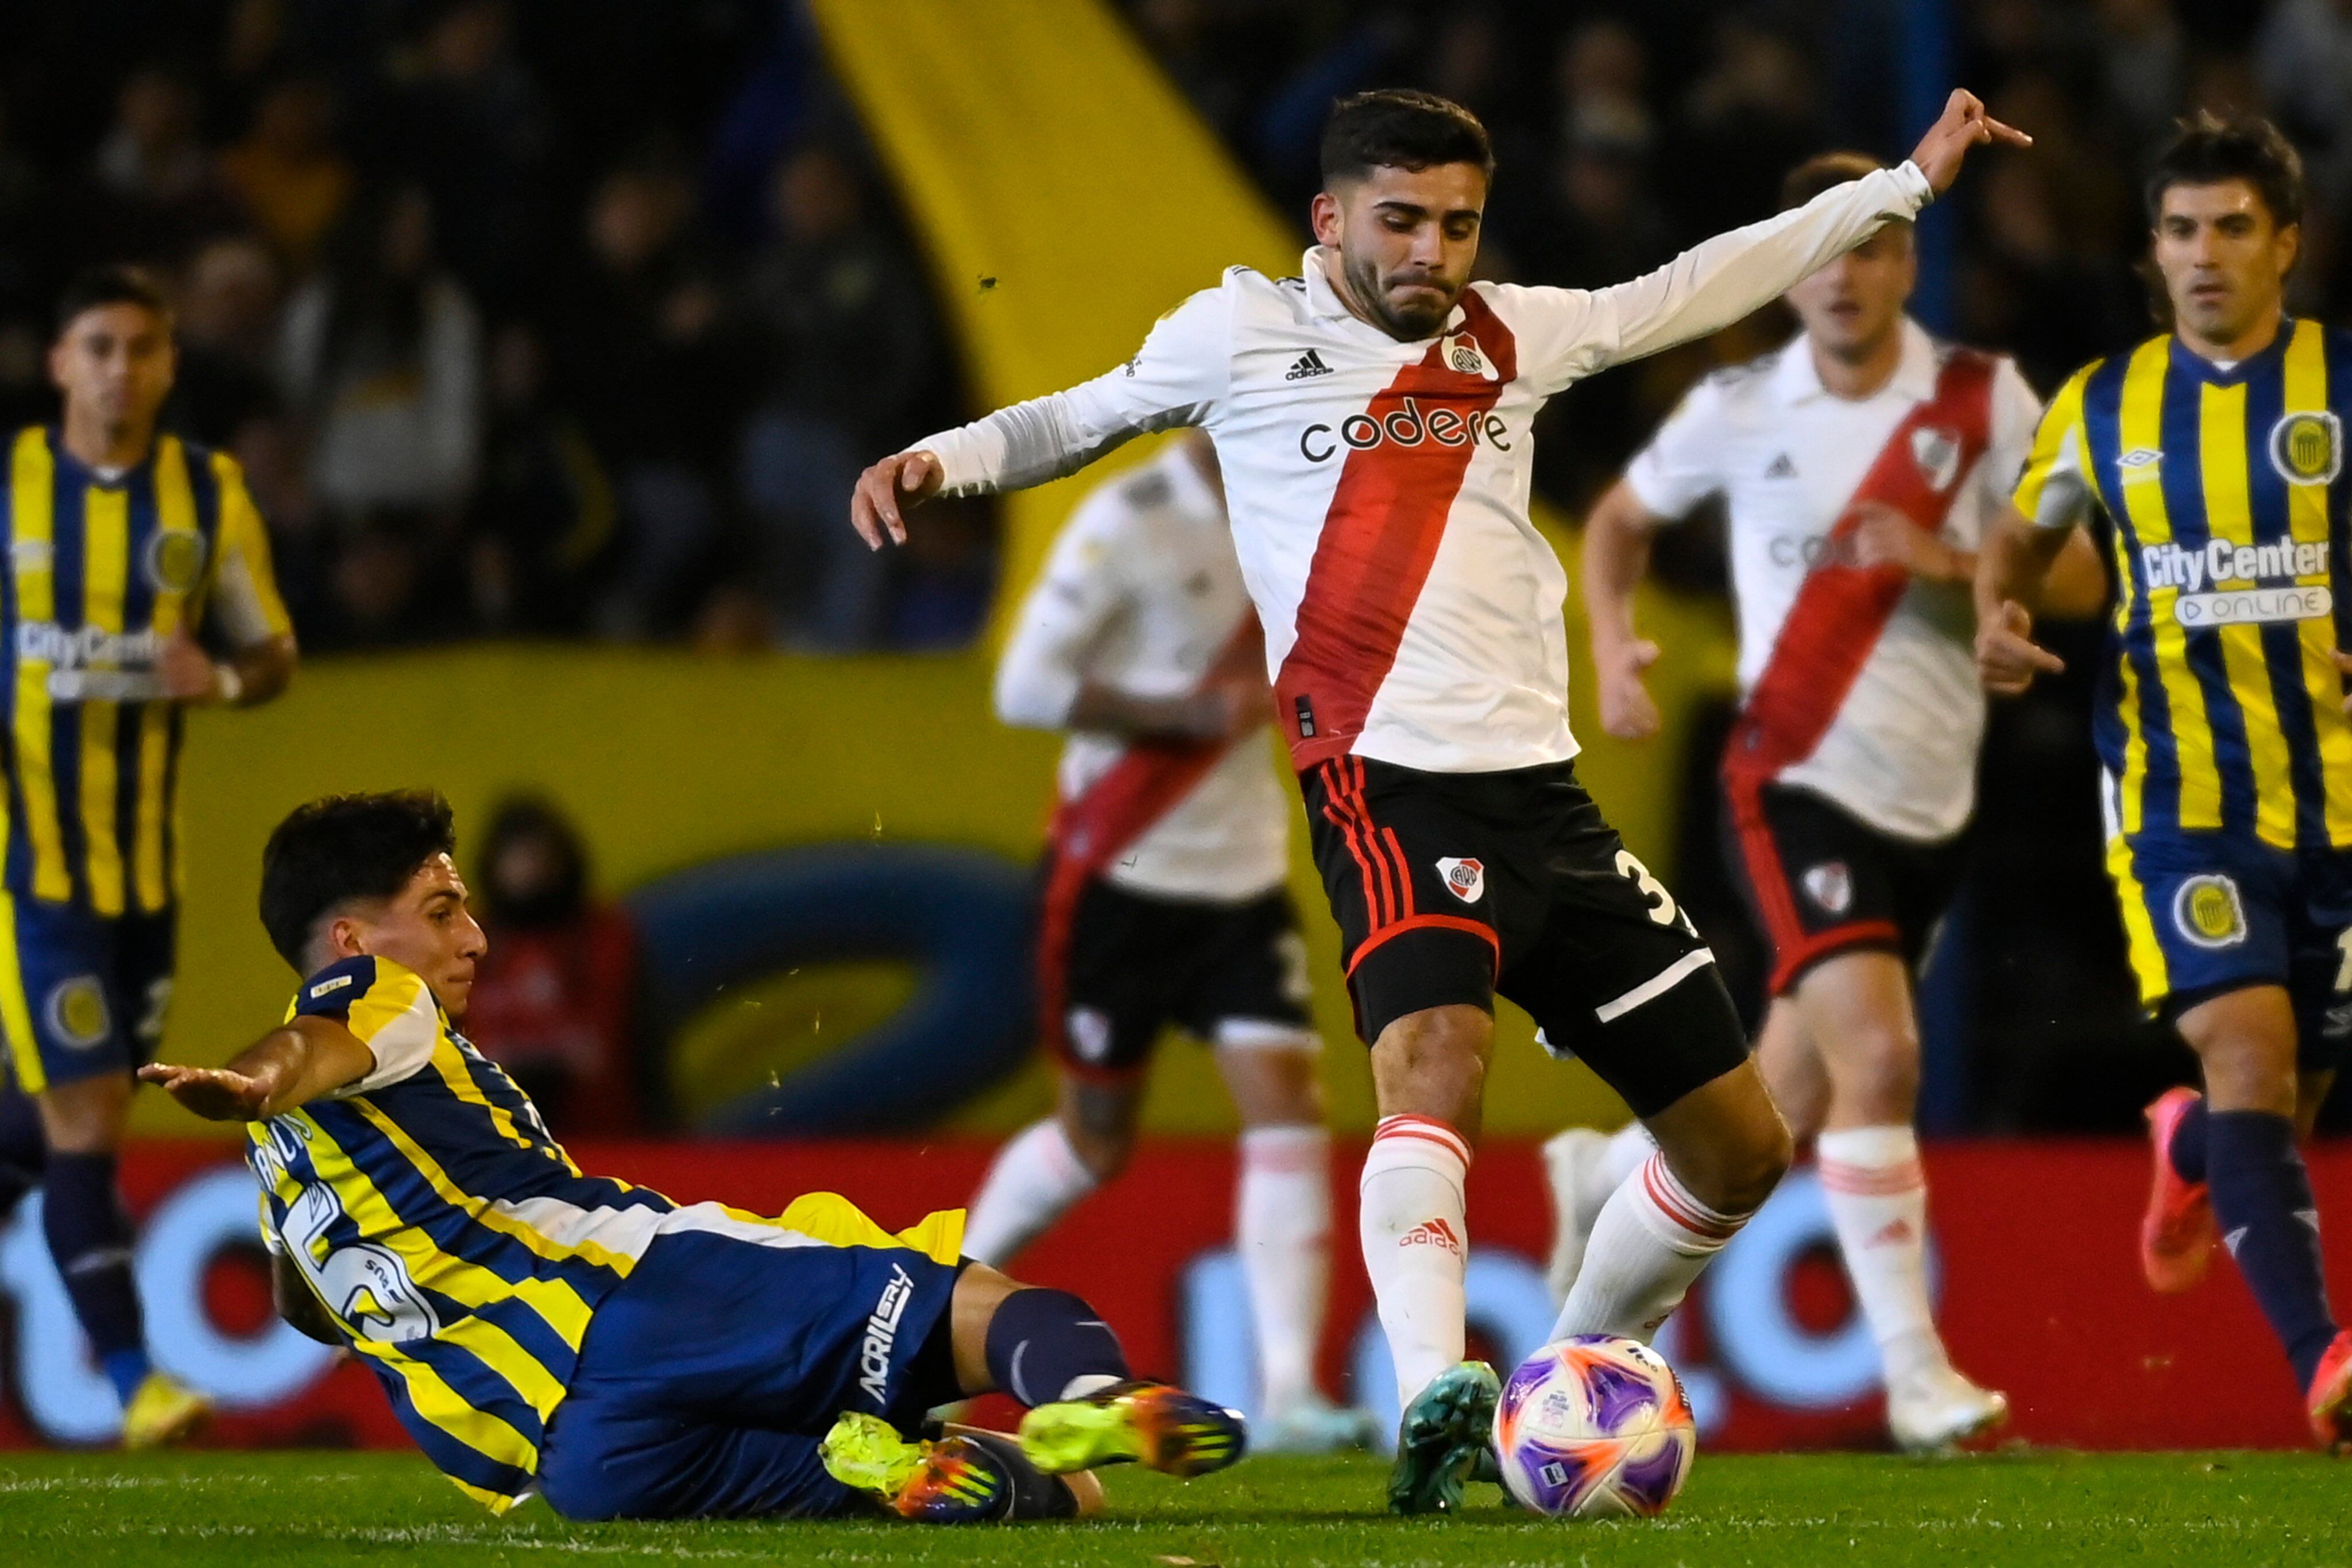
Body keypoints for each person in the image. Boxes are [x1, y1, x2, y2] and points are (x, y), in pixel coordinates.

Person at [852, 86, 2024, 1512]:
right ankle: (1433, 1397)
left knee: (1739, 1145)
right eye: (1401, 222)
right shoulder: (1237, 335)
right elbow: (1081, 416)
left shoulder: (1512, 335)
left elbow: (1697, 281)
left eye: (1458, 224)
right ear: (1330, 219)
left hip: (1546, 802)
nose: (1433, 253)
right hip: (1385, 784)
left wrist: (1897, 187)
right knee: (1435, 1063)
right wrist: (944, 458)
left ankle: (1571, 1371)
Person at [141, 791, 1247, 1521]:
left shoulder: (292, 1169)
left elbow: (300, 1299)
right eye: (442, 907)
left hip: (581, 1459)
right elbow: (307, 1045)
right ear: (351, 940)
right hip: (639, 1301)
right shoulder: (376, 999)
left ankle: (887, 1461)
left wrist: (376, 1322)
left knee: (1047, 1504)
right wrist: (254, 1077)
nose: (474, 936)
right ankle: (1102, 1389)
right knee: (980, 1307)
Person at [1557, 150, 2104, 1452]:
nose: (1849, 276)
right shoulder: (1739, 404)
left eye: (1875, 248)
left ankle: (1600, 1177)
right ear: (1795, 269)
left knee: (1778, 1110)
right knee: (1885, 1059)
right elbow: (1618, 524)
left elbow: (2082, 575)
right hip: (1791, 779)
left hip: (1929, 800)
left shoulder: (1984, 402)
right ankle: (1918, 1383)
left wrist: (1960, 566)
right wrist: (1612, 644)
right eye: (1827, 251)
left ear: (1910, 264)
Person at [1979, 113, 2352, 1447]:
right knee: (2252, 1052)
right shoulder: (2102, 401)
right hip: (2174, 800)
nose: (2206, 255)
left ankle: (2189, 1146)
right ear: (2152, 250)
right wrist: (1995, 616)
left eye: (2235, 229)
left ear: (2287, 246)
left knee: (2283, 1106)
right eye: (2183, 230)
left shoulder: (2343, 387)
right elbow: (2019, 539)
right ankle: (2326, 1365)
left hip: (2338, 811)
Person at [966, 428, 1371, 1454]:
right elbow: (1020, 688)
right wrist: (1186, 713)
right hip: (1121, 875)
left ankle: (1289, 1395)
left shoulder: (1308, 504)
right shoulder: (1126, 519)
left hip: (1241, 883)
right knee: (1096, 1141)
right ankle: (935, 1294)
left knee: (1287, 1103)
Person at [0, 264, 297, 1446]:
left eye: (140, 347)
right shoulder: (10, 487)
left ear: (169, 363)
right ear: (60, 363)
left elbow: (272, 651)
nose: (120, 368)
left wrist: (219, 678)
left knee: (58, 1117)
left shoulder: (206, 495)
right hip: (36, 874)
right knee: (86, 1126)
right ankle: (135, 1381)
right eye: (98, 347)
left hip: (147, 880)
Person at [462, 795, 641, 1137]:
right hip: (494, 1138)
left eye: (539, 855)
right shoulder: (469, 941)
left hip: (605, 1133)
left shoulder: (606, 937)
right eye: (518, 856)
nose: (530, 868)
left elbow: (637, 1039)